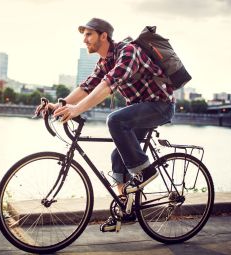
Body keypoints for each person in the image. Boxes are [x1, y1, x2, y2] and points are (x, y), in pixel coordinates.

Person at [36, 17, 175, 232]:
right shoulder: (104, 62)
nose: (85, 40)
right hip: (140, 110)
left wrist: (76, 110)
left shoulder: (128, 51)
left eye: (89, 34)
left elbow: (107, 85)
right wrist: (58, 105)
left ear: (104, 36)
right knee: (117, 157)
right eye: (84, 35)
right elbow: (87, 86)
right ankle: (127, 211)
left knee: (115, 120)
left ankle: (146, 173)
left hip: (160, 106)